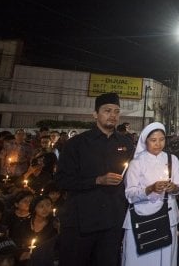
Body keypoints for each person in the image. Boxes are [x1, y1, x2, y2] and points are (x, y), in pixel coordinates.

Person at [55, 92, 134, 266]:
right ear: (95, 114)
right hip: (81, 221)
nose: (112, 115)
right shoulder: (76, 144)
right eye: (107, 110)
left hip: (113, 220)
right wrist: (97, 180)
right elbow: (62, 180)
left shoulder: (126, 143)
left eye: (116, 111)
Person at [122, 122, 179, 266]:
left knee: (165, 258)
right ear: (145, 141)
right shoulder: (136, 163)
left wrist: (173, 187)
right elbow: (130, 194)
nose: (158, 144)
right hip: (142, 218)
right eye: (153, 140)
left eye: (162, 139)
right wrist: (150, 189)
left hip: (167, 218)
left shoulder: (172, 159)